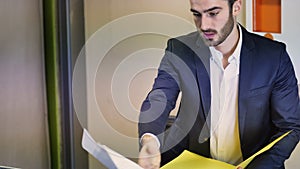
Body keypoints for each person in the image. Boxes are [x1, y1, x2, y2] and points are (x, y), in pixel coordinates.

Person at [138, 0, 300, 169]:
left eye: (213, 13)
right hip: (193, 163)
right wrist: (150, 138)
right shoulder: (179, 50)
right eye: (196, 14)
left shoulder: (274, 56)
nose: (204, 25)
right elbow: (159, 98)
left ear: (236, 7)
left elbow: (289, 127)